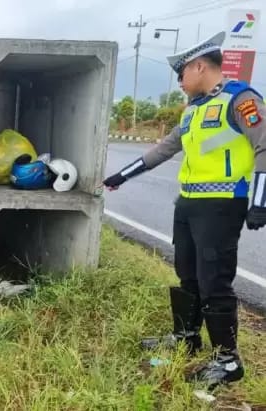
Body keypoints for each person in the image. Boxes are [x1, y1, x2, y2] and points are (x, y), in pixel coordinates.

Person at [102, 31, 266, 388]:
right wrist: (119, 176)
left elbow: (264, 146)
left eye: (181, 75)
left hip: (221, 206)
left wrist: (259, 201)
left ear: (200, 66)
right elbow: (163, 149)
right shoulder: (193, 111)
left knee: (214, 281)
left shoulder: (241, 101)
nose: (179, 83)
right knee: (187, 274)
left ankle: (228, 361)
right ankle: (187, 337)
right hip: (189, 204)